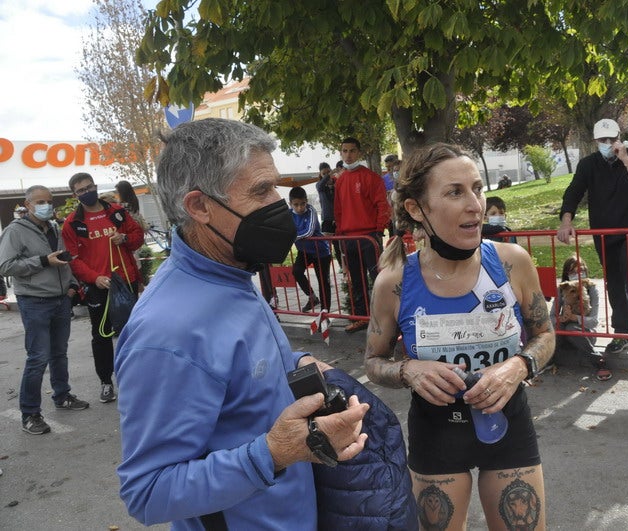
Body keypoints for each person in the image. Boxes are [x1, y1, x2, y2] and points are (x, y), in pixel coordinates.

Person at [114, 118, 372, 528]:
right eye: (261, 190)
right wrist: (275, 453)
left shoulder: (231, 273)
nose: (278, 203)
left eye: (275, 187)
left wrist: (298, 362)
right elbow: (148, 492)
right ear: (199, 207)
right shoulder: (167, 332)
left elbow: (239, 366)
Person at [365, 142, 555, 530]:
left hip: (507, 423)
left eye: (477, 189)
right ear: (416, 208)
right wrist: (408, 371)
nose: (475, 205)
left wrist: (518, 367)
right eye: (455, 192)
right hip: (436, 433)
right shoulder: (394, 283)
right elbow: (372, 361)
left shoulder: (512, 262)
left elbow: (545, 334)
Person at [557, 118, 628, 355]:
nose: (607, 143)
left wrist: (626, 160)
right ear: (595, 141)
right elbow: (574, 191)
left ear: (619, 138)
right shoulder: (588, 164)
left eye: (612, 139)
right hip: (605, 232)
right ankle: (622, 332)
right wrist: (566, 221)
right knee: (613, 280)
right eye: (602, 140)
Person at [0, 185, 89, 435]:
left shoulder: (53, 228)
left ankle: (62, 395)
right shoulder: (15, 231)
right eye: (40, 202)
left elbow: (63, 259)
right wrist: (42, 261)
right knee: (38, 358)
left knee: (59, 353)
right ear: (27, 204)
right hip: (35, 301)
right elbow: (5, 266)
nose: (46, 205)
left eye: (49, 201)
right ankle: (30, 414)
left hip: (60, 299)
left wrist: (72, 285)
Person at [61, 173, 144, 404]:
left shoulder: (117, 212)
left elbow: (138, 237)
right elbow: (73, 259)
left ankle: (137, 379)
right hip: (97, 285)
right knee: (101, 335)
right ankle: (106, 382)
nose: (87, 192)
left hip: (124, 281)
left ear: (95, 186)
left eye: (89, 187)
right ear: (75, 195)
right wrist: (94, 278)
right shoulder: (72, 223)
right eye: (81, 190)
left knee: (131, 332)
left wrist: (124, 238)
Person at [333, 137, 391, 333]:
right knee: (356, 281)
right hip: (348, 238)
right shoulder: (340, 181)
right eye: (345, 151)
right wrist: (340, 235)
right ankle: (361, 317)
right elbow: (338, 210)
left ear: (359, 152)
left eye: (352, 150)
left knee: (378, 279)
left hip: (368, 237)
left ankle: (387, 319)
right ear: (341, 153)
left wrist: (378, 230)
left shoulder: (371, 178)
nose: (348, 155)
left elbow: (383, 205)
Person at [549, 255, 610, 380]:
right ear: (567, 274)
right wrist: (561, 318)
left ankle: (599, 361)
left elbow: (593, 322)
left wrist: (574, 317)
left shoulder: (591, 288)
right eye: (573, 272)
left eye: (581, 270)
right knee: (558, 327)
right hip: (563, 335)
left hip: (583, 335)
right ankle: (548, 360)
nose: (578, 274)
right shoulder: (562, 288)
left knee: (571, 328)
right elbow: (551, 317)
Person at [289, 186, 332, 312]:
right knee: (296, 271)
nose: (300, 208)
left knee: (323, 282)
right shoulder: (288, 214)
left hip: (321, 252)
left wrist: (292, 237)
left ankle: (325, 312)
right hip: (304, 251)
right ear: (290, 204)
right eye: (296, 205)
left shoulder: (311, 210)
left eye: (302, 204)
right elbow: (284, 230)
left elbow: (309, 232)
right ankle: (312, 298)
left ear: (306, 201)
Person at [315, 162, 336, 234]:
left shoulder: (337, 182)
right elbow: (320, 186)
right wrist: (329, 175)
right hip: (327, 219)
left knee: (341, 240)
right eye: (324, 174)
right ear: (320, 174)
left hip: (339, 217)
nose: (327, 175)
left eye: (328, 172)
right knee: (327, 239)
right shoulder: (319, 185)